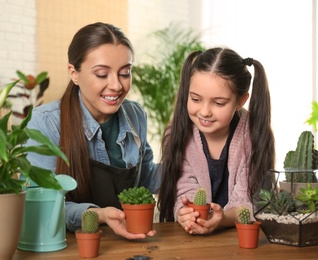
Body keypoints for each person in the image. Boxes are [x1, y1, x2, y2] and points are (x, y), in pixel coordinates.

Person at [25, 22, 160, 240]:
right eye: (101, 74)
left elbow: (146, 178)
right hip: (69, 246)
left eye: (125, 73)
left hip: (128, 242)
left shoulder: (135, 115)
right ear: (74, 73)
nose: (116, 85)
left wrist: (192, 157)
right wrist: (98, 215)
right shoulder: (43, 124)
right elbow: (42, 205)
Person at [157, 48, 275, 235]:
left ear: (240, 101)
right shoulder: (177, 134)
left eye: (218, 103)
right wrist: (186, 213)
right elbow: (183, 191)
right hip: (191, 239)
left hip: (241, 238)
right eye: (195, 99)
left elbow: (249, 201)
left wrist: (221, 219)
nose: (204, 111)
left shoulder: (254, 134)